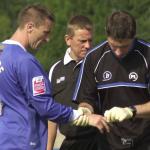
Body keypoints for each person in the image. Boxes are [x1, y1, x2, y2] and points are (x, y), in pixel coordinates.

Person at [0, 4, 109, 150]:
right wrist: (83, 117)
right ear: (30, 27)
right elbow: (45, 107)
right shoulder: (26, 61)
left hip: (6, 139)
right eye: (45, 32)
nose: (47, 39)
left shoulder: (2, 54)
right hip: (26, 141)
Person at [72, 10, 150, 150]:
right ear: (106, 34)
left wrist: (131, 111)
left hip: (145, 141)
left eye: (125, 46)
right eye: (114, 46)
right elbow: (87, 98)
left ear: (134, 36)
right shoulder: (93, 58)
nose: (119, 52)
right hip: (108, 142)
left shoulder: (147, 55)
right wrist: (85, 110)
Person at [47, 15, 109, 150]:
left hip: (98, 142)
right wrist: (49, 147)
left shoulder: (99, 66)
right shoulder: (55, 70)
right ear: (68, 40)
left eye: (90, 40)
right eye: (82, 41)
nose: (87, 46)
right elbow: (52, 115)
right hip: (69, 143)